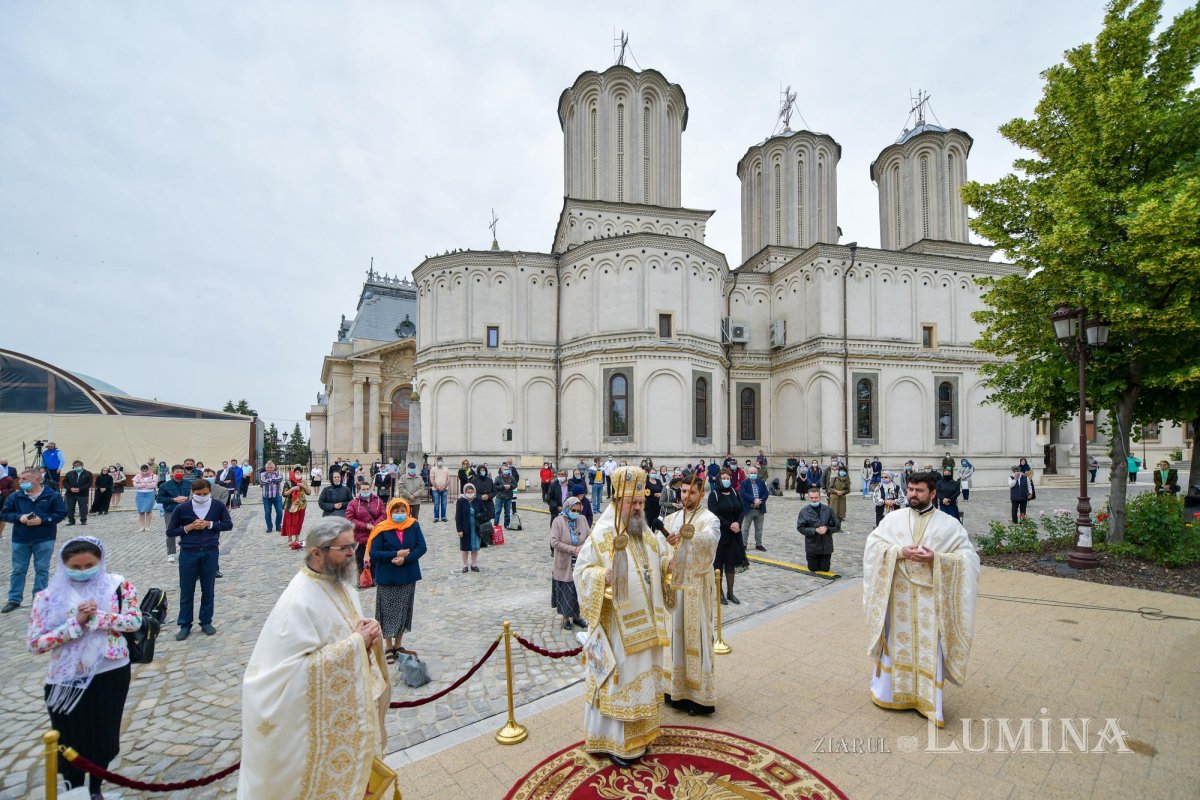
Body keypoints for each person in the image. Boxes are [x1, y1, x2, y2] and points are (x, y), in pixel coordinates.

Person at [237, 517, 391, 800]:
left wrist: (366, 632)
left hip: (347, 713)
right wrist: (357, 643)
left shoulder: (341, 581)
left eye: (353, 545)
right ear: (317, 552)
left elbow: (349, 626)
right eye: (344, 548)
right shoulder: (297, 601)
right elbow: (285, 676)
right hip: (316, 732)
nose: (351, 553)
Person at [863, 469, 980, 729]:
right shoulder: (893, 520)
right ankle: (888, 694)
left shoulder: (949, 525)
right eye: (911, 490)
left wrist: (936, 559)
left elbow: (968, 559)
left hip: (931, 602)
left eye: (919, 491)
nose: (913, 495)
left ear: (933, 493)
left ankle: (927, 701)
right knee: (895, 644)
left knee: (930, 648)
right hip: (899, 601)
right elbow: (874, 546)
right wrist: (899, 551)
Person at [574, 466, 674, 767]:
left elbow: (660, 558)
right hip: (617, 628)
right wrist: (600, 576)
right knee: (622, 682)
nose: (639, 508)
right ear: (618, 501)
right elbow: (581, 571)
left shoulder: (644, 532)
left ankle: (643, 734)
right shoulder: (602, 534)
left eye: (642, 503)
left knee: (642, 679)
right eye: (634, 503)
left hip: (648, 626)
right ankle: (617, 743)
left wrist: (669, 563)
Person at [28, 536, 141, 799]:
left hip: (110, 671)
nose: (83, 571)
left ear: (100, 562)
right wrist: (75, 623)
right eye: (75, 567)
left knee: (105, 733)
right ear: (64, 565)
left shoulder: (118, 585)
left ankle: (95, 788)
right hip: (66, 678)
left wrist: (100, 618)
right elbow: (36, 643)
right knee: (69, 736)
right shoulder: (48, 597)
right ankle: (73, 786)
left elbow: (134, 621)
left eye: (89, 565)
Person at [661, 469, 721, 715]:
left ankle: (697, 697)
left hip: (696, 587)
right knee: (674, 637)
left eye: (691, 492)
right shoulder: (669, 519)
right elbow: (659, 548)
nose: (686, 496)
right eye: (683, 491)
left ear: (701, 493)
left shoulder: (710, 519)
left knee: (696, 636)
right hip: (674, 587)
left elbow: (709, 542)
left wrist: (687, 540)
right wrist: (667, 561)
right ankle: (673, 691)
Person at [167, 478, 232, 640]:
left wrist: (210, 524)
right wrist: (188, 528)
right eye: (198, 494)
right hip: (189, 552)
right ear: (192, 493)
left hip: (210, 552)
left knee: (208, 588)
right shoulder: (182, 508)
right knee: (186, 589)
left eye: (205, 493)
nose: (202, 496)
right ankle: (185, 623)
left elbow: (228, 524)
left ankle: (206, 621)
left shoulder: (218, 506)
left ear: (210, 491)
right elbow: (170, 531)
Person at [367, 498, 427, 663]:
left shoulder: (413, 525)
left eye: (402, 511)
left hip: (407, 575)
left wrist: (405, 560)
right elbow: (374, 553)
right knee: (386, 612)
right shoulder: (382, 529)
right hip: (388, 577)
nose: (399, 515)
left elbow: (422, 547)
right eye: (396, 511)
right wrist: (395, 554)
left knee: (403, 611)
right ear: (390, 512)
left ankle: (398, 645)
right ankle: (388, 646)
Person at [2, 468, 67, 613]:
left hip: (44, 538)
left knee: (42, 570)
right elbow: (5, 513)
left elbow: (61, 513)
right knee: (18, 570)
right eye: (20, 479)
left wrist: (43, 520)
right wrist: (19, 517)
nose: (20, 482)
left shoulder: (52, 495)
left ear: (36, 480)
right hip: (20, 538)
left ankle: (39, 599)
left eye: (24, 479)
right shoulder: (15, 496)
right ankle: (14, 599)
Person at [550, 495, 590, 630]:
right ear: (567, 508)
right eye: (574, 510)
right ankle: (566, 618)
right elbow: (554, 542)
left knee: (577, 588)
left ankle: (577, 616)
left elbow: (589, 537)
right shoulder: (558, 521)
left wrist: (582, 548)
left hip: (580, 561)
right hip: (564, 561)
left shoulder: (582, 519)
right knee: (565, 589)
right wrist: (573, 549)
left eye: (578, 511)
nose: (576, 513)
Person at [708, 468, 746, 605]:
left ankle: (730, 592)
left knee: (730, 564)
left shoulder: (735, 492)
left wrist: (738, 523)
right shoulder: (714, 494)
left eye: (728, 478)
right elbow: (714, 514)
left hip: (734, 534)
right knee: (718, 564)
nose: (726, 480)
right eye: (723, 478)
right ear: (719, 479)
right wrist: (729, 525)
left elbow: (742, 509)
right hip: (721, 535)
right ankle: (720, 593)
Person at [156, 465, 194, 564]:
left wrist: (186, 498)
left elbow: (195, 496)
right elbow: (159, 499)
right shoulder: (164, 486)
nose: (180, 474)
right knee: (170, 532)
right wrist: (173, 499)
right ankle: (171, 553)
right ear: (172, 473)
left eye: (182, 472)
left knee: (187, 531)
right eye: (177, 472)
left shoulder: (190, 484)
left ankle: (186, 550)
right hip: (171, 511)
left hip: (186, 511)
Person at [346, 481, 386, 574]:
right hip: (361, 537)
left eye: (367, 489)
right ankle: (361, 578)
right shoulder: (353, 503)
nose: (366, 491)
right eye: (363, 489)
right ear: (359, 490)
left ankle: (375, 578)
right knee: (360, 560)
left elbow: (384, 515)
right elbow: (350, 519)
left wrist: (375, 525)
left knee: (375, 559)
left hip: (376, 535)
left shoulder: (378, 501)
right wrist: (365, 526)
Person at [797, 486, 839, 573]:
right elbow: (800, 528)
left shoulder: (828, 510)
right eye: (812, 498)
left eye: (816, 497)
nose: (814, 500)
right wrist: (815, 530)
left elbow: (837, 525)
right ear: (808, 498)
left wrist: (827, 529)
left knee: (825, 569)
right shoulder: (804, 511)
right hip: (812, 546)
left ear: (820, 497)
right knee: (813, 569)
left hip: (826, 546)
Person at [455, 482, 486, 573]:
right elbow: (458, 517)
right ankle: (465, 565)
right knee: (465, 547)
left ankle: (474, 564)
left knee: (475, 547)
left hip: (475, 527)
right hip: (465, 528)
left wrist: (480, 515)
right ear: (465, 492)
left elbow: (484, 512)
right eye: (468, 492)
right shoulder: (460, 501)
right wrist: (459, 530)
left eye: (471, 492)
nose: (470, 494)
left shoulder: (478, 500)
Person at [738, 465, 769, 551]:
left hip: (760, 508)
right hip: (749, 509)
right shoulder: (744, 483)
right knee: (745, 528)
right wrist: (753, 500)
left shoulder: (761, 482)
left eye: (755, 473)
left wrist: (761, 500)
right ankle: (744, 544)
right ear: (748, 474)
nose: (753, 474)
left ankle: (758, 544)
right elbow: (743, 493)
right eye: (751, 473)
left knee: (759, 528)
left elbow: (766, 493)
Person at [280, 466, 311, 549]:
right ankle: (289, 538)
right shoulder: (288, 482)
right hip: (291, 506)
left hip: (301, 505)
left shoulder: (303, 482)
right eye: (297, 473)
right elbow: (284, 494)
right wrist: (292, 489)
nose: (299, 474)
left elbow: (309, 492)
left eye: (300, 473)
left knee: (299, 522)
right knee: (290, 522)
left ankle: (297, 538)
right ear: (293, 473)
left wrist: (304, 487)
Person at [62, 460, 92, 526]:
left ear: (82, 466)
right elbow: (64, 482)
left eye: (78, 465)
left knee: (83, 507)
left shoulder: (88, 474)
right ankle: (71, 521)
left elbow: (89, 483)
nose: (76, 467)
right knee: (70, 508)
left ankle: (83, 520)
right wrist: (70, 488)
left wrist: (80, 489)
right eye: (75, 466)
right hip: (70, 494)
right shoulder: (69, 473)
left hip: (82, 494)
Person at [259, 461, 284, 533]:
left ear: (274, 467)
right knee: (267, 513)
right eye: (268, 467)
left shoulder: (278, 473)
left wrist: (268, 480)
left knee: (279, 512)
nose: (269, 469)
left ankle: (278, 526)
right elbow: (261, 482)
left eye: (271, 467)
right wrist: (273, 480)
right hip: (266, 497)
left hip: (277, 496)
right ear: (265, 467)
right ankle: (269, 527)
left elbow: (280, 479)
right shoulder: (262, 474)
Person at [132, 464, 158, 532]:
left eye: (146, 469)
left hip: (150, 494)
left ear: (149, 469)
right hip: (140, 494)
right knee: (141, 511)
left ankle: (147, 527)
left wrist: (141, 484)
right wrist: (146, 484)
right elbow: (135, 485)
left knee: (149, 510)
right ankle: (142, 527)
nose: (145, 471)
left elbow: (153, 485)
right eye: (143, 469)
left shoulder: (154, 476)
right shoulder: (137, 476)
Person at [494, 463, 517, 528]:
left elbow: (515, 485)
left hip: (508, 497)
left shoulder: (511, 478)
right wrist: (503, 486)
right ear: (501, 470)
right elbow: (495, 486)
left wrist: (510, 486)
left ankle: (506, 525)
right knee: (497, 511)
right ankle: (495, 524)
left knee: (507, 512)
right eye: (505, 469)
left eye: (507, 469)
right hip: (500, 497)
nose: (506, 470)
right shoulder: (498, 478)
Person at [429, 457, 451, 523]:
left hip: (445, 489)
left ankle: (443, 517)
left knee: (444, 503)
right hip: (435, 489)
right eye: (438, 460)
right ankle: (436, 517)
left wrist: (444, 487)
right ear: (436, 461)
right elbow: (431, 479)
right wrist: (437, 487)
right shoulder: (433, 469)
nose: (440, 461)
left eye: (441, 460)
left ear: (443, 461)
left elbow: (448, 479)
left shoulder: (446, 469)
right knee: (436, 503)